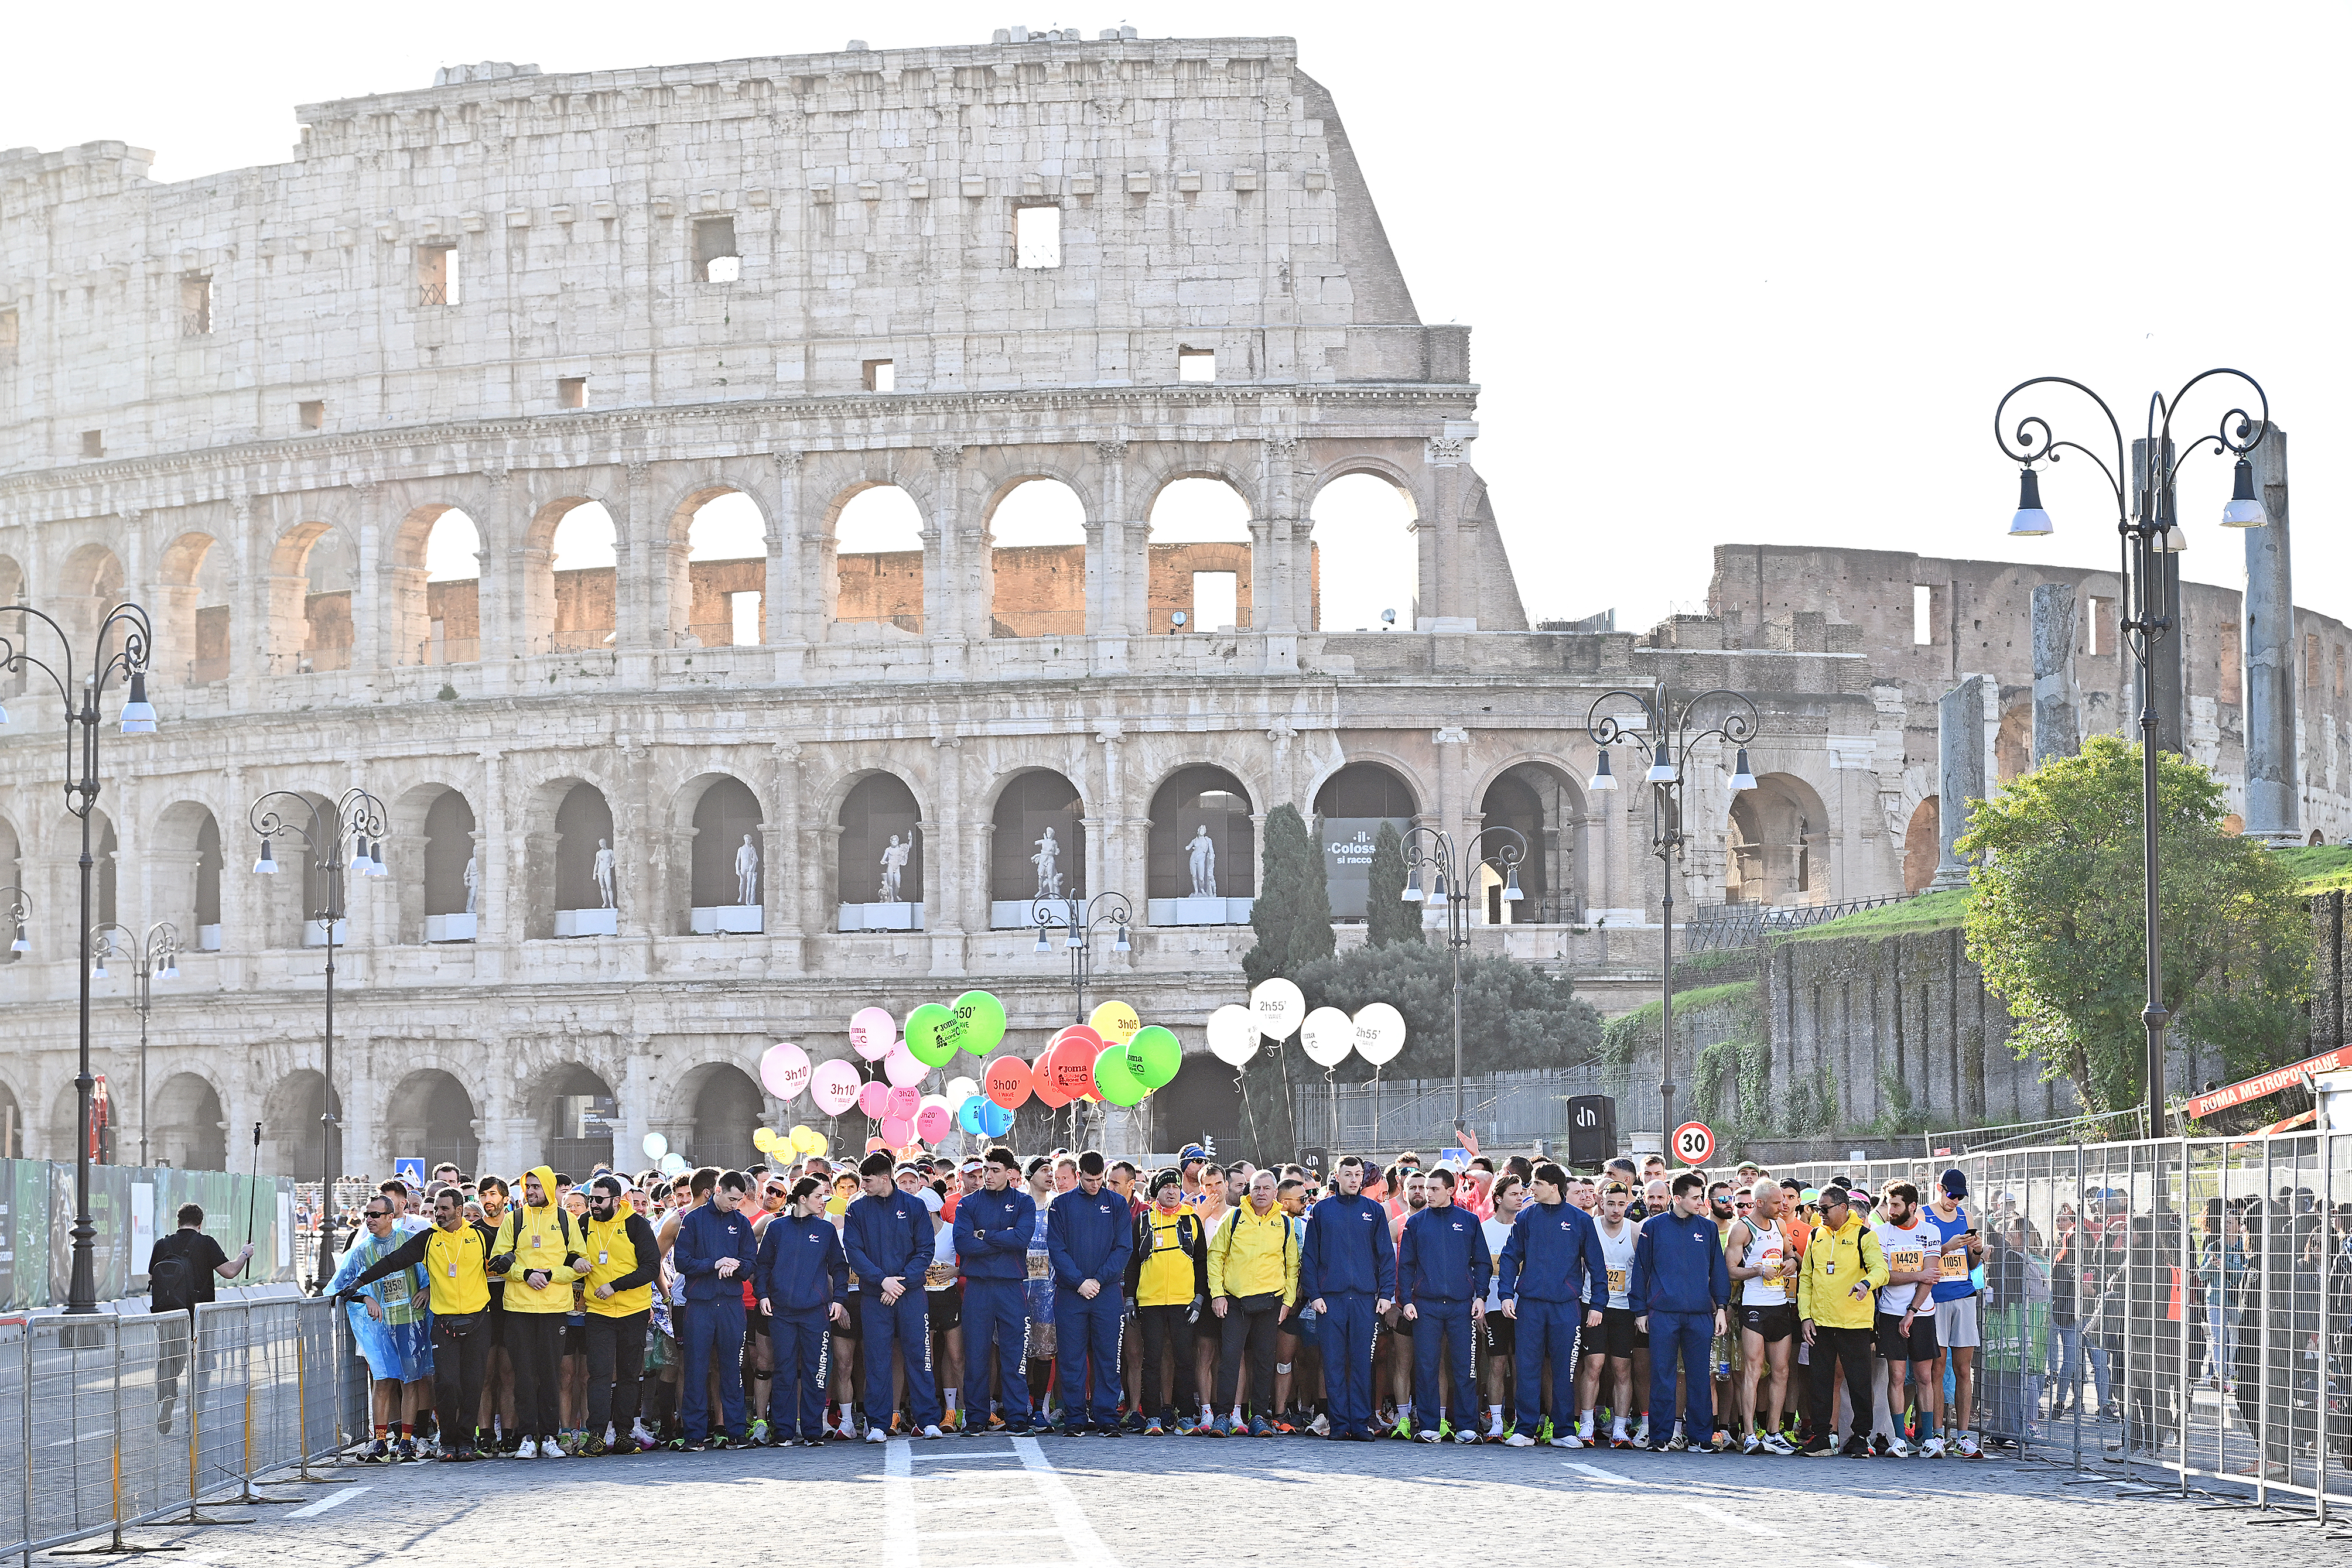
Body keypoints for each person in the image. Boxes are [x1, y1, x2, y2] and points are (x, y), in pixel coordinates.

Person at [338, 1184, 498, 1461]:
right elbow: (393, 1261)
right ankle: (448, 1442)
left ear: (459, 1210)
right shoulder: (427, 1238)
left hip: (478, 1321)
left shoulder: (480, 1236)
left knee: (473, 1384)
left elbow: (506, 1257)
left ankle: (466, 1442)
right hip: (444, 1322)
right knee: (447, 1384)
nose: (439, 1214)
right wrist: (361, 1282)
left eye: (444, 1209)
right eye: (435, 1209)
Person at [1497, 1161, 1608, 1447]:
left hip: (1565, 1306)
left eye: (1536, 1183)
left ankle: (1564, 1431)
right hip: (1530, 1305)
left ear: (1553, 1187)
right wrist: (1506, 1294)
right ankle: (1525, 1429)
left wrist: (1597, 1304)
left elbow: (1597, 1265)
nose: (1529, 1188)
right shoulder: (1526, 1217)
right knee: (1528, 1366)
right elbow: (1510, 1257)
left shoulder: (1580, 1220)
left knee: (1564, 1369)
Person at [488, 1164, 587, 1459]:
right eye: (527, 1187)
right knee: (524, 1374)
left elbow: (580, 1262)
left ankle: (550, 1437)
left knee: (552, 1373)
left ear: (548, 1187)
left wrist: (551, 1274)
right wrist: (526, 1274)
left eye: (536, 1187)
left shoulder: (567, 1220)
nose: (530, 1192)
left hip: (555, 1309)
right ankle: (527, 1436)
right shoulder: (513, 1219)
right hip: (519, 1308)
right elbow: (498, 1261)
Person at [1629, 1172, 1732, 1452]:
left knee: (1700, 1376)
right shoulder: (1654, 1227)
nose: (1702, 1203)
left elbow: (1718, 1271)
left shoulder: (1708, 1230)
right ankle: (1660, 1437)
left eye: (1702, 1197)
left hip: (1700, 1315)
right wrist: (1639, 1310)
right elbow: (1641, 1270)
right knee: (1662, 1375)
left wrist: (1721, 1308)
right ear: (1678, 1198)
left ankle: (1701, 1438)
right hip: (1662, 1313)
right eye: (1696, 1198)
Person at [330, 1193, 436, 1460]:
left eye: (375, 1214)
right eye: (367, 1214)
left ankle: (407, 1440)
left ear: (391, 1217)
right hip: (380, 1326)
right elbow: (340, 1286)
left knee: (411, 1381)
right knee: (383, 1381)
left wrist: (426, 1289)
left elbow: (432, 1275)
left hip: (410, 1322)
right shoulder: (362, 1251)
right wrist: (365, 1298)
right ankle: (379, 1442)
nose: (369, 1219)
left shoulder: (408, 1243)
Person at [847, 1150, 944, 1440]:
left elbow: (926, 1250)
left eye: (867, 1180)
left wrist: (899, 1283)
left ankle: (927, 1421)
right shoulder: (857, 1209)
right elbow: (854, 1252)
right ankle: (877, 1424)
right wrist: (882, 1282)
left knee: (920, 1356)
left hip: (910, 1295)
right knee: (877, 1359)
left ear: (885, 1178)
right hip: (875, 1296)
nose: (863, 1186)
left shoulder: (914, 1206)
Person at [1300, 1156, 1396, 1442]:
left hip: (1365, 1300)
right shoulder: (1322, 1211)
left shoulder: (1374, 1211)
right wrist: (1314, 1295)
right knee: (1333, 1362)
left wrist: (1386, 1294)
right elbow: (1310, 1258)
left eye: (1358, 1174)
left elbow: (1386, 1257)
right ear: (1338, 1177)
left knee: (1361, 1362)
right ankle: (1339, 1424)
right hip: (1331, 1301)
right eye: (1348, 1174)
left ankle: (1360, 1423)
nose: (1354, 1180)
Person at [1795, 1185, 1888, 1458]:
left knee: (1859, 1382)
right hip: (1821, 1323)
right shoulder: (1816, 1235)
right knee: (1820, 1381)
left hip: (1855, 1323)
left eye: (1824, 1209)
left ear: (1843, 1208)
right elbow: (1807, 1279)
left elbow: (1881, 1270)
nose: (1819, 1214)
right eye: (1816, 1209)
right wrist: (1806, 1316)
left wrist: (1866, 1283)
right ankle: (1823, 1436)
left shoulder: (1865, 1236)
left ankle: (1861, 1437)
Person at [757, 1175, 850, 1446]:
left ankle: (812, 1430)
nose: (824, 1202)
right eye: (819, 1197)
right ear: (802, 1199)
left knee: (816, 1372)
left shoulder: (826, 1230)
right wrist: (763, 1295)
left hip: (816, 1313)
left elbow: (839, 1268)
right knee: (784, 1371)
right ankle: (783, 1431)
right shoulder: (776, 1229)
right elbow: (762, 1266)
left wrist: (839, 1299)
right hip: (782, 1314)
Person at [1205, 1168, 1298, 1437]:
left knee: (1265, 1362)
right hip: (1235, 1301)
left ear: (1275, 1192)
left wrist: (1288, 1301)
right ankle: (1223, 1416)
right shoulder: (1233, 1217)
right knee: (1230, 1360)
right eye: (1257, 1188)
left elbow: (1292, 1265)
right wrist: (1218, 1294)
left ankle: (1259, 1416)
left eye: (1267, 1188)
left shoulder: (1285, 1223)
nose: (1261, 1193)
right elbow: (1216, 1257)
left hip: (1271, 1302)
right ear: (1249, 1190)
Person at [1397, 1167, 1488, 1443]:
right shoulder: (1415, 1223)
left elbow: (1482, 1262)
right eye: (1426, 1189)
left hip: (1462, 1306)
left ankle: (1467, 1427)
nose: (1427, 1194)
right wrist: (1406, 1301)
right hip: (1426, 1306)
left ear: (1450, 1191)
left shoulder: (1470, 1221)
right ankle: (1429, 1427)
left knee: (1464, 1367)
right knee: (1426, 1367)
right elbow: (1406, 1266)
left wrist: (1481, 1297)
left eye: (1434, 1189)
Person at [1047, 1150, 1134, 1435]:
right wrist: (1079, 1281)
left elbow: (1124, 1248)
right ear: (1078, 1176)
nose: (1094, 1185)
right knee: (1071, 1358)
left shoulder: (1117, 1203)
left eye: (1099, 1180)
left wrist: (1098, 1279)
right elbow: (1056, 1249)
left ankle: (1106, 1416)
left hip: (1106, 1293)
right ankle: (1075, 1417)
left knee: (1108, 1356)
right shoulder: (1061, 1205)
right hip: (1072, 1294)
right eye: (1088, 1180)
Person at [148, 1203, 254, 1437]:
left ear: (178, 1222)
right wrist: (244, 1254)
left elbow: (153, 1277)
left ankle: (167, 1401)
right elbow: (229, 1271)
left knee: (171, 1362)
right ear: (200, 1223)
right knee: (202, 1365)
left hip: (170, 1314)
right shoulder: (206, 1243)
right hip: (200, 1316)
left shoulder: (162, 1244)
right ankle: (195, 1413)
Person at [955, 1146, 1038, 1433]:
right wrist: (1001, 1239)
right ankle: (976, 1418)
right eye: (985, 1170)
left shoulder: (1024, 1203)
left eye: (994, 1171)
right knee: (976, 1354)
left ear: (1010, 1173)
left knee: (1014, 1354)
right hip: (978, 1288)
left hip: (1010, 1287)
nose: (987, 1176)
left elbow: (1021, 1238)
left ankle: (1016, 1416)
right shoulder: (967, 1205)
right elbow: (964, 1244)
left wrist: (985, 1236)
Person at [579, 1173, 662, 1453]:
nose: (593, 1205)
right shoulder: (583, 1224)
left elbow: (651, 1267)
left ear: (616, 1200)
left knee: (629, 1375)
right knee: (599, 1374)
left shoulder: (637, 1225)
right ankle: (597, 1435)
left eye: (599, 1200)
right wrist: (575, 1261)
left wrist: (615, 1286)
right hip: (598, 1312)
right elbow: (567, 1253)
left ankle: (625, 1433)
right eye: (591, 1199)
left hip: (633, 1311)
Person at [674, 1169, 757, 1449]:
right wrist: (715, 1263)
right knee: (696, 1369)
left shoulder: (742, 1223)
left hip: (732, 1305)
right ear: (718, 1190)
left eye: (740, 1200)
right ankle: (694, 1434)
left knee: (732, 1368)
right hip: (701, 1305)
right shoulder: (693, 1220)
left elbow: (750, 1264)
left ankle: (736, 1431)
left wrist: (736, 1266)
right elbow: (682, 1262)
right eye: (732, 1199)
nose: (735, 1205)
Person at [1724, 1177, 1799, 1454]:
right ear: (1759, 1203)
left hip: (1779, 1304)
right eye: (1778, 1202)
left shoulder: (1780, 1225)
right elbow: (1730, 1270)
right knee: (1753, 1371)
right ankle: (1749, 1434)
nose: (1783, 1206)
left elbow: (1793, 1255)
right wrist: (1756, 1271)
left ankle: (1774, 1432)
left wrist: (1792, 1262)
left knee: (1782, 1371)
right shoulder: (1742, 1229)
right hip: (1754, 1306)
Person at [1129, 1168, 1206, 1435]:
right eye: (1165, 1188)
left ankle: (1185, 1415)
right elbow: (1132, 1263)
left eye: (1175, 1187)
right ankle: (1152, 1416)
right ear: (1155, 1192)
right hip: (1150, 1301)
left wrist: (1199, 1298)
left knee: (1184, 1360)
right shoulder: (1142, 1221)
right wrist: (1129, 1298)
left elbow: (1202, 1263)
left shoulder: (1192, 1220)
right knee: (1152, 1360)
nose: (1171, 1191)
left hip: (1184, 1301)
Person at [1871, 1180, 1943, 1456]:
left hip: (1922, 1314)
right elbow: (1885, 1276)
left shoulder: (1930, 1231)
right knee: (1897, 1377)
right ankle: (1899, 1438)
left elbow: (1932, 1276)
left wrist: (1912, 1311)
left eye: (1897, 1205)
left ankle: (1927, 1439)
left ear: (1912, 1206)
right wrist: (1916, 1276)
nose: (1891, 1209)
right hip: (1890, 1314)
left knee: (1925, 1377)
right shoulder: (1880, 1234)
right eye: (1889, 1204)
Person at [1924, 1168, 1988, 1457]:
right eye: (1951, 1195)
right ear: (1940, 1189)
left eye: (1961, 1197)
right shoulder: (1925, 1215)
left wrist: (1977, 1250)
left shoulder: (1966, 1217)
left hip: (1963, 1296)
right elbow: (1919, 1256)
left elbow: (1973, 1265)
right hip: (1935, 1298)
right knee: (1937, 1369)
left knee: (1964, 1370)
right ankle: (1937, 1433)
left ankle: (1964, 1434)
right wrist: (1945, 1247)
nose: (1955, 1201)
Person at [1478, 1174, 1523, 1441]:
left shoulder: (1526, 1228)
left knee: (1521, 1367)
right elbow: (1477, 1271)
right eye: (1514, 1194)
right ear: (1498, 1198)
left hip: (1522, 1309)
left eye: (1521, 1194)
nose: (1520, 1198)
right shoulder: (1483, 1230)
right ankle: (1496, 1422)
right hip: (1493, 1308)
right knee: (1497, 1365)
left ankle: (1520, 1420)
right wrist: (1481, 1304)